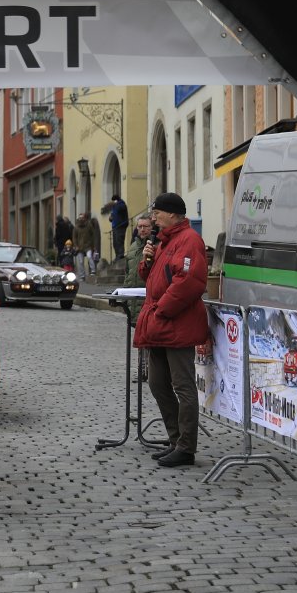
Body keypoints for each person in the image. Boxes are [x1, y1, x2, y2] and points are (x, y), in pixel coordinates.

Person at [133, 194, 210, 468]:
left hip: (176, 323)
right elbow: (152, 278)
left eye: (157, 213)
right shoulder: (164, 242)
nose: (153, 218)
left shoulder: (189, 240)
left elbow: (189, 282)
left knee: (182, 386)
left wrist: (162, 310)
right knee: (157, 383)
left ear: (173, 214)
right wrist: (147, 261)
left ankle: (186, 447)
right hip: (160, 324)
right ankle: (176, 439)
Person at [121, 213, 156, 318]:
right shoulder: (133, 246)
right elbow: (128, 273)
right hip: (132, 300)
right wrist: (124, 297)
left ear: (152, 227)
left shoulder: (157, 246)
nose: (142, 229)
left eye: (145, 226)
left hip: (148, 298)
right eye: (140, 226)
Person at [102, 193, 130, 265]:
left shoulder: (121, 204)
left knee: (119, 241)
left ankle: (120, 255)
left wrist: (115, 204)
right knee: (115, 242)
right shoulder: (115, 206)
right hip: (115, 226)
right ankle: (117, 255)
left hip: (121, 225)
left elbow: (121, 209)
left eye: (113, 201)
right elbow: (113, 215)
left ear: (116, 200)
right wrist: (110, 218)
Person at [73, 211, 101, 277]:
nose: (81, 219)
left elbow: (93, 235)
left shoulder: (89, 225)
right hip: (79, 247)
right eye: (80, 218)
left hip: (88, 246)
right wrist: (76, 246)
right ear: (78, 218)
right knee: (80, 261)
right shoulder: (76, 227)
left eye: (82, 218)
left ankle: (93, 270)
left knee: (89, 257)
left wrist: (93, 245)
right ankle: (82, 275)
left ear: (84, 218)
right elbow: (74, 238)